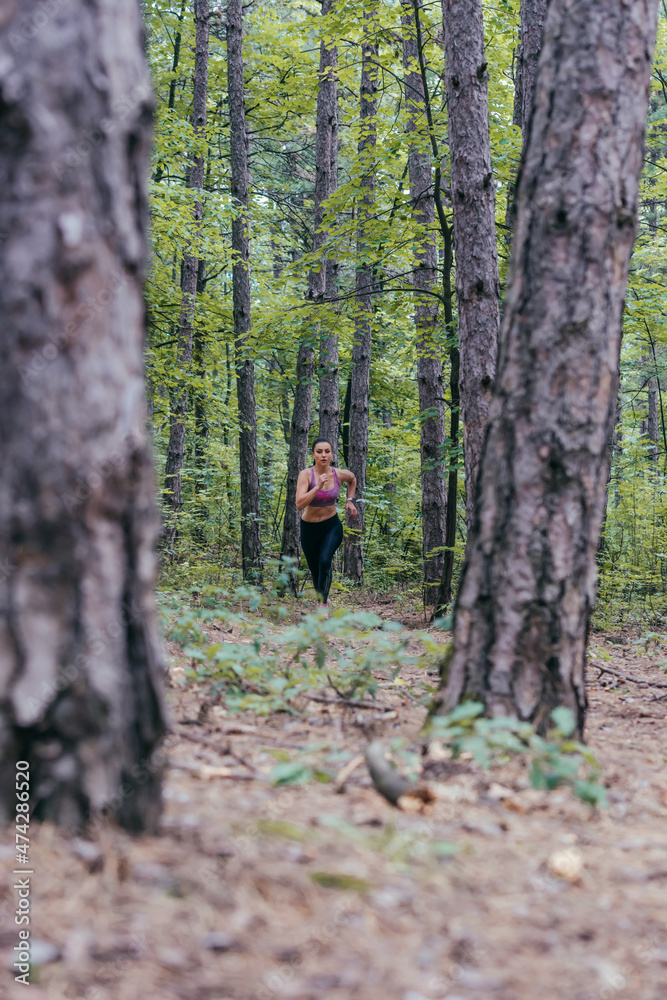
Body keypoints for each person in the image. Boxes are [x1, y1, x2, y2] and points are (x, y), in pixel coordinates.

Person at [296, 438, 357, 610]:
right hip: (309, 529)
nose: (323, 455)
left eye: (327, 451)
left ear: (331, 454)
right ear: (313, 455)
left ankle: (322, 606)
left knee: (324, 561)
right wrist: (317, 487)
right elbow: (299, 504)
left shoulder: (339, 474)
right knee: (316, 569)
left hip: (331, 526)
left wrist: (350, 500)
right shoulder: (305, 475)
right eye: (319, 451)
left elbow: (352, 479)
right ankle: (324, 600)